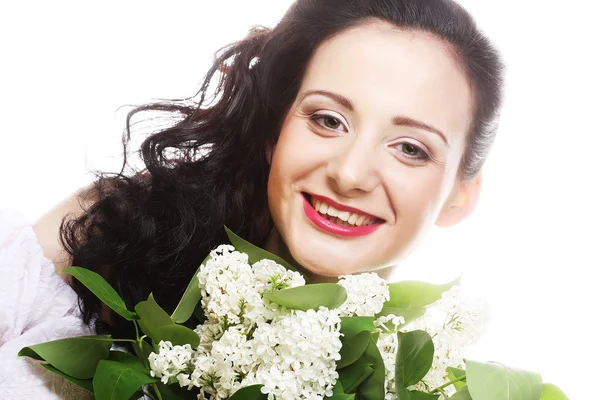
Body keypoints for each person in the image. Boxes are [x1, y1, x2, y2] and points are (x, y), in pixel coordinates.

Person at [0, 0, 504, 398]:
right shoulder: (119, 229)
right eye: (328, 119)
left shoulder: (421, 385)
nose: (350, 174)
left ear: (461, 195)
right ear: (275, 131)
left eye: (410, 149)